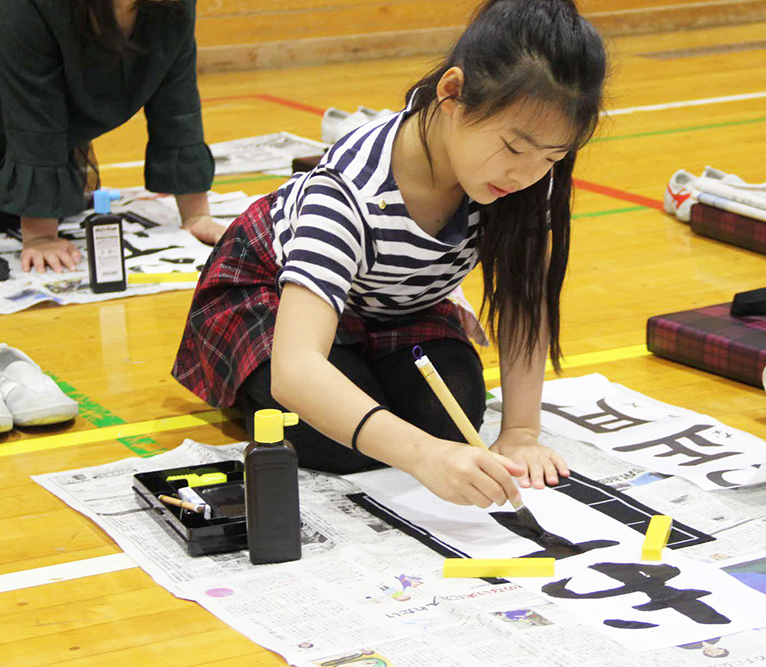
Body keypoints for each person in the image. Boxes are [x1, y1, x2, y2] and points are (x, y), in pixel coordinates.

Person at [172, 0, 607, 508]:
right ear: (452, 93)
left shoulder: (522, 181)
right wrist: (422, 456)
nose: (527, 174)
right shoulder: (349, 190)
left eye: (551, 158)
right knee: (329, 442)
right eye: (514, 148)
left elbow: (522, 303)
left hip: (394, 303)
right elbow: (297, 367)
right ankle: (260, 385)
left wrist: (522, 431)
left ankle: (368, 375)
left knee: (452, 419)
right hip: (274, 296)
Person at [0, 0, 225, 274]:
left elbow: (177, 103)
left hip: (44, 148)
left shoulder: (171, 6)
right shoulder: (30, 7)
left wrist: (196, 215)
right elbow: (33, 113)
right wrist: (41, 236)